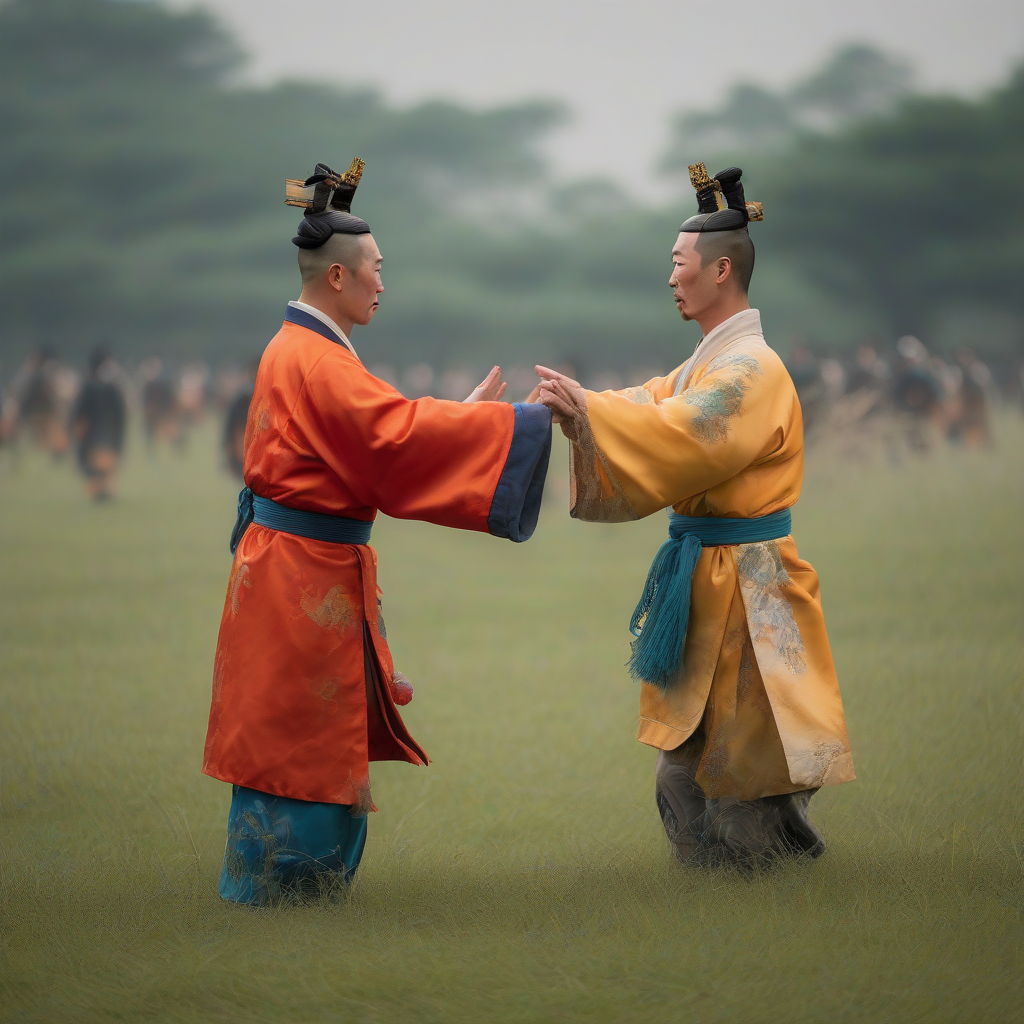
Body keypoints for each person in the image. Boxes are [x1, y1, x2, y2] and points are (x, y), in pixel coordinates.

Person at [203, 159, 552, 906]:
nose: (383, 285)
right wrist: (507, 426)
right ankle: (289, 891)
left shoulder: (302, 348)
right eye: (377, 271)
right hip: (301, 572)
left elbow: (374, 441)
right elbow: (390, 441)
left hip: (294, 563)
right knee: (298, 734)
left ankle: (280, 890)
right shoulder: (317, 359)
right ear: (338, 278)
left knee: (293, 724)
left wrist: (458, 420)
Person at [534, 164, 854, 868]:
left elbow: (683, 429)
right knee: (686, 758)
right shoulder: (708, 364)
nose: (671, 278)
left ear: (719, 270)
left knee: (748, 762)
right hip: (708, 580)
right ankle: (712, 882)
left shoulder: (751, 371)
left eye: (678, 265)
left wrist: (589, 408)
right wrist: (581, 402)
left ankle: (765, 883)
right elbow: (653, 402)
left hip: (751, 585)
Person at [70, 346, 127, 501]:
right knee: (104, 469)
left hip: (93, 435)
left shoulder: (88, 385)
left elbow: (78, 412)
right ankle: (103, 490)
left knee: (96, 467)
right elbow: (120, 414)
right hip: (108, 435)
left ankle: (101, 490)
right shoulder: (114, 386)